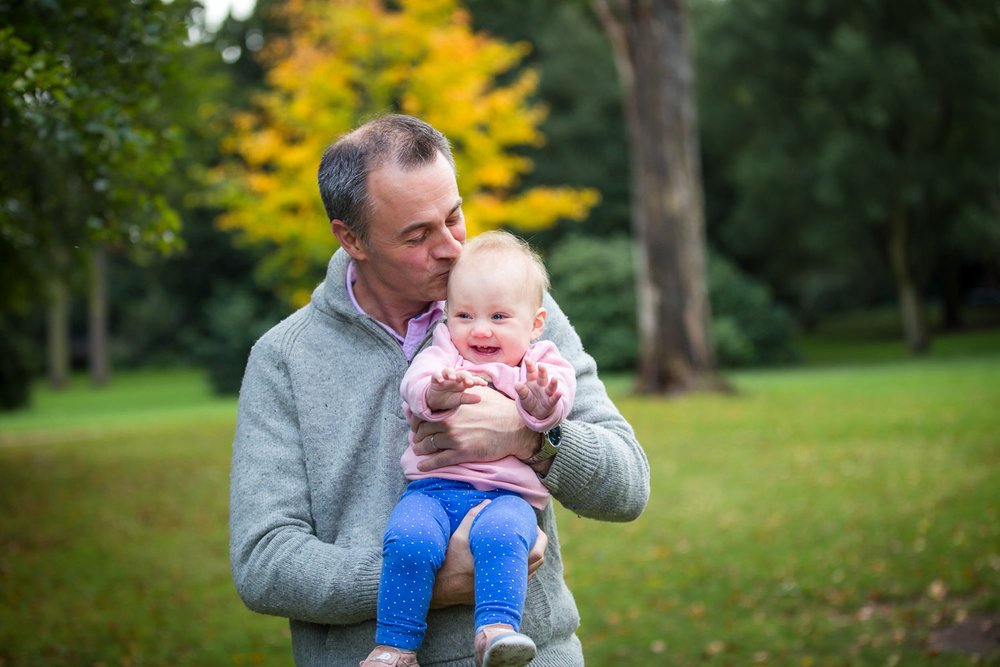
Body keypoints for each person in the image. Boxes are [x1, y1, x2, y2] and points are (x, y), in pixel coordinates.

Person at [229, 113, 650, 667]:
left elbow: (629, 488)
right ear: (351, 238)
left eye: (455, 217)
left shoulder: (509, 314)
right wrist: (423, 577)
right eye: (419, 235)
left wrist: (530, 439)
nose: (452, 249)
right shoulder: (284, 359)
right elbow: (264, 563)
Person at [364, 231, 577, 667]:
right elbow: (416, 383)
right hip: (432, 493)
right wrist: (437, 394)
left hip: (506, 498)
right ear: (447, 316)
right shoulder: (445, 353)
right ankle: (394, 646)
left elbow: (558, 404)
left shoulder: (542, 363)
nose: (479, 330)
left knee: (504, 539)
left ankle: (497, 631)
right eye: (464, 315)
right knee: (409, 540)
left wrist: (538, 407)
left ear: (535, 323)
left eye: (499, 316)